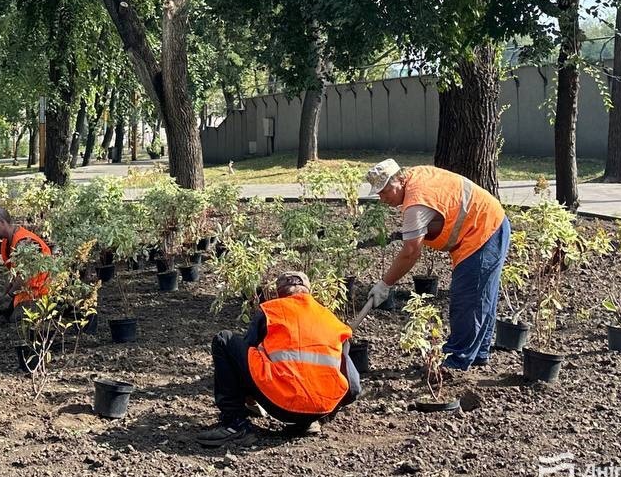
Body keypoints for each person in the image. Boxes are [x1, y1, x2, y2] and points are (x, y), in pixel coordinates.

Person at [364, 158, 510, 376]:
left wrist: (385, 284)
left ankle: (455, 361)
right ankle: (478, 353)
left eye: (385, 191)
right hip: (488, 224)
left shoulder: (416, 203)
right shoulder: (414, 176)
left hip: (483, 231)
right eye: (379, 193)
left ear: (398, 180)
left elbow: (411, 252)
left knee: (467, 298)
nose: (382, 198)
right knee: (481, 296)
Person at [197, 271, 361, 447]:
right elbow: (354, 387)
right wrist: (322, 411)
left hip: (280, 403)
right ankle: (308, 423)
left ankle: (235, 425)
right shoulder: (333, 322)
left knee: (224, 340)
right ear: (309, 291)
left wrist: (247, 398)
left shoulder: (271, 311)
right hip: (323, 408)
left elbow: (242, 365)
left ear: (279, 293)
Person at [0, 206, 52, 317]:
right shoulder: (6, 241)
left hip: (38, 295)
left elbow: (26, 276)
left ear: (2, 222)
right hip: (23, 293)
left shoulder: (25, 242)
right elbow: (13, 274)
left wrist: (8, 297)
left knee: (16, 322)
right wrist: (2, 296)